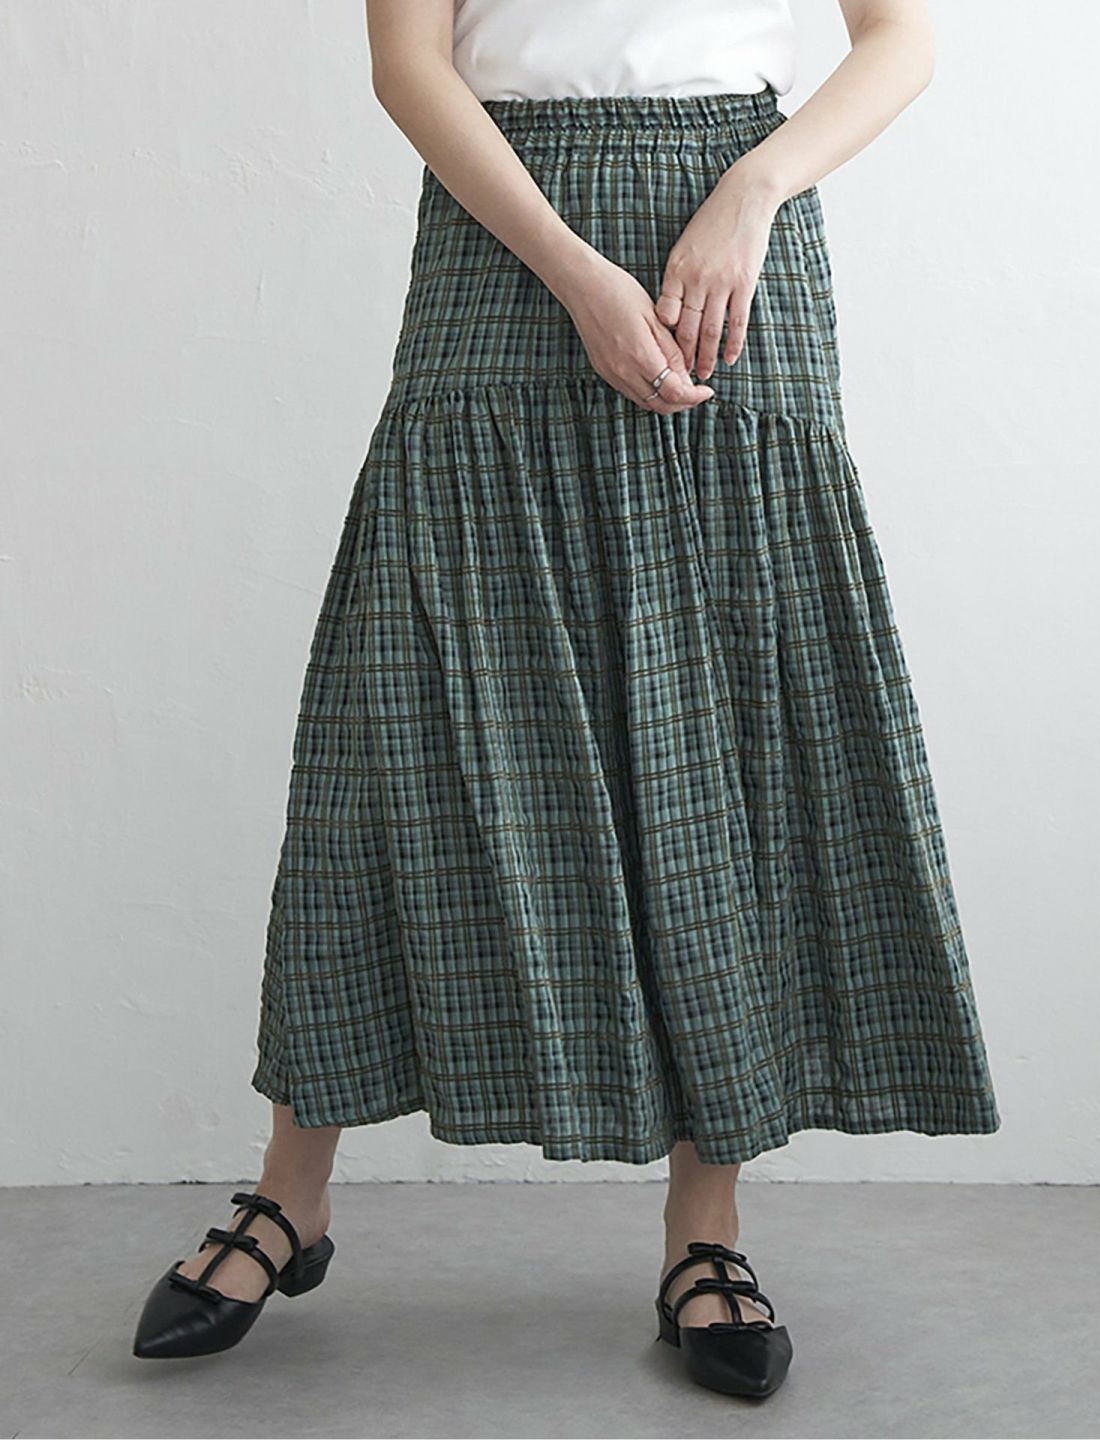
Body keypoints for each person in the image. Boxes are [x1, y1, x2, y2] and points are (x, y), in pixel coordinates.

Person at [133, 0, 1000, 1399]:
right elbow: (408, 63)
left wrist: (755, 189)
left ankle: (705, 1230)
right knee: (396, 728)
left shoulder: (748, 194)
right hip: (503, 225)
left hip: (732, 232)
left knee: (720, 725)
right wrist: (574, 270)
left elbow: (901, 36)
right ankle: (292, 1194)